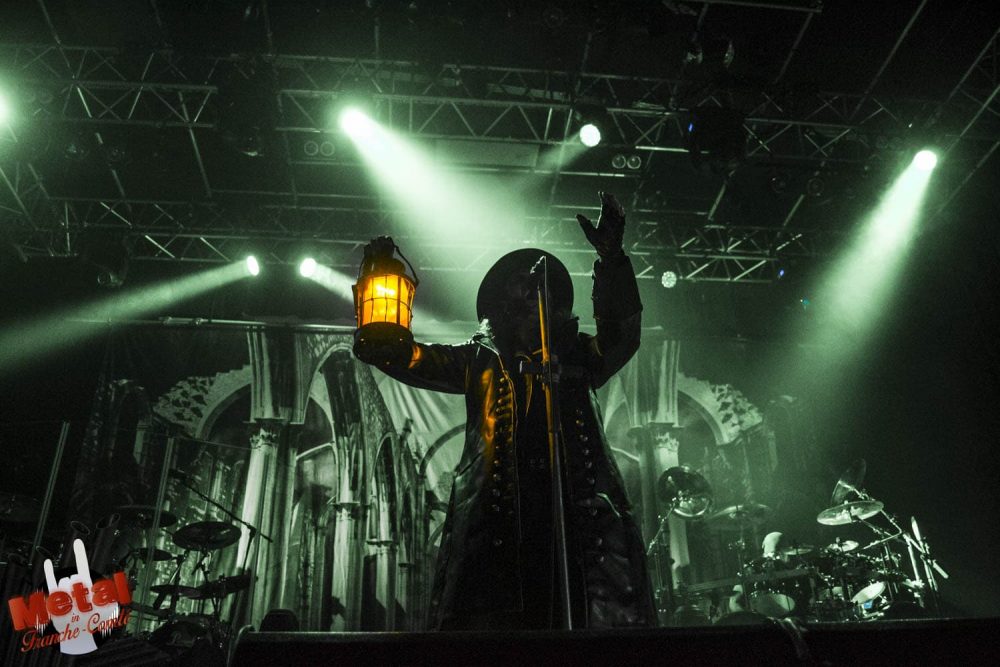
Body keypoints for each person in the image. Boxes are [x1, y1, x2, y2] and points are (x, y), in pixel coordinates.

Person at [353, 192, 655, 630]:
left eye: (538, 285)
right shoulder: (478, 359)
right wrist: (382, 334)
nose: (530, 289)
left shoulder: (579, 354)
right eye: (519, 284)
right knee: (500, 622)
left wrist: (611, 262)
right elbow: (415, 359)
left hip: (572, 514)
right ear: (502, 304)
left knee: (580, 614)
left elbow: (622, 337)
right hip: (499, 523)